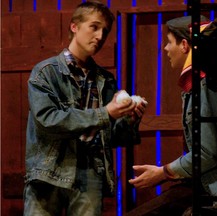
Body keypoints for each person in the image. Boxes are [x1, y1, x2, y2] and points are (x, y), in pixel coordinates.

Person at [127, 15, 217, 215]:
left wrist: (163, 172)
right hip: (209, 184)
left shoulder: (206, 85)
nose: (166, 49)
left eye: (169, 42)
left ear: (184, 45)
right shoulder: (204, 81)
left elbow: (208, 154)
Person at [23, 1, 146, 215]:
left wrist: (129, 120)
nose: (100, 36)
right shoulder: (45, 72)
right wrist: (105, 113)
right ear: (74, 27)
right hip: (48, 172)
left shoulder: (105, 80)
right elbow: (47, 121)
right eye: (94, 27)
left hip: (90, 170)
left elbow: (112, 137)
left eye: (105, 31)